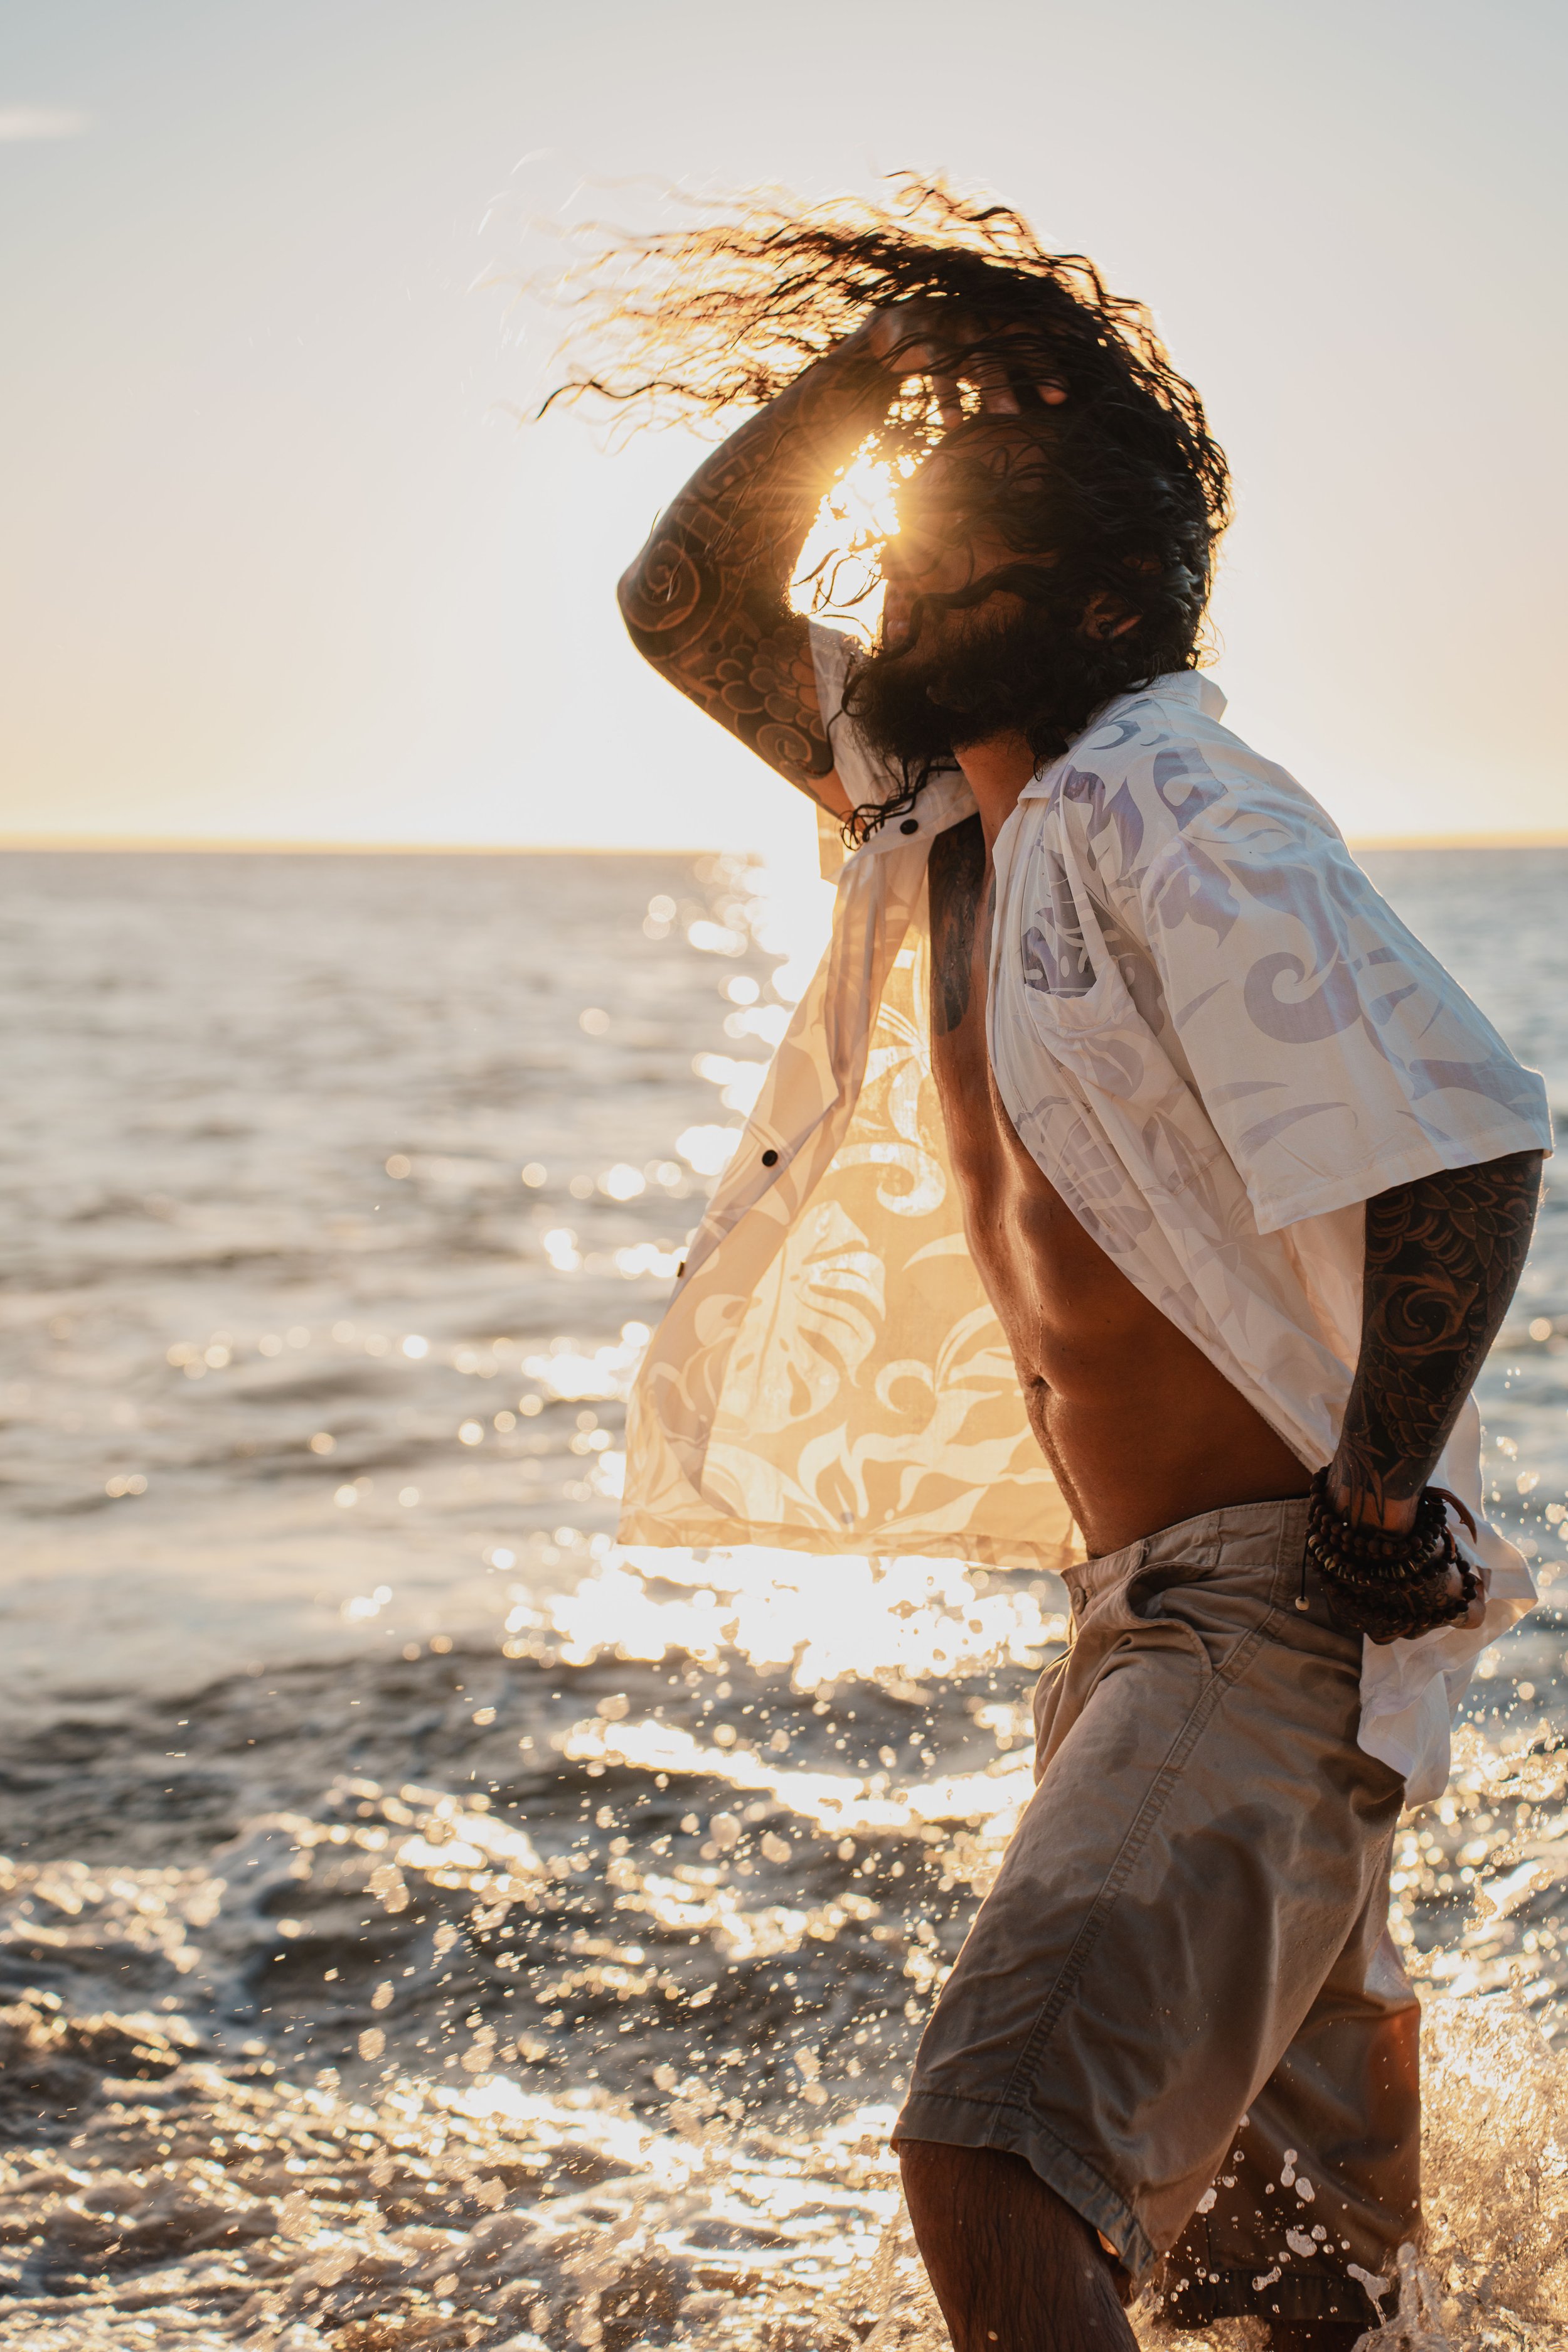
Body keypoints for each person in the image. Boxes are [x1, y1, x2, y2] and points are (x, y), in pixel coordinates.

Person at [575, 183, 1552, 2350]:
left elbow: (1468, 1137)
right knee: (1290, 2299)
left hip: (1265, 1616)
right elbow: (684, 599)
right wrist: (866, 386)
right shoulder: (937, 816)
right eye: (900, 529)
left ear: (1104, 595)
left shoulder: (1163, 799)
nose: (899, 566)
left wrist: (1380, 1496)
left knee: (996, 2163)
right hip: (1159, 1622)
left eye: (957, 536)